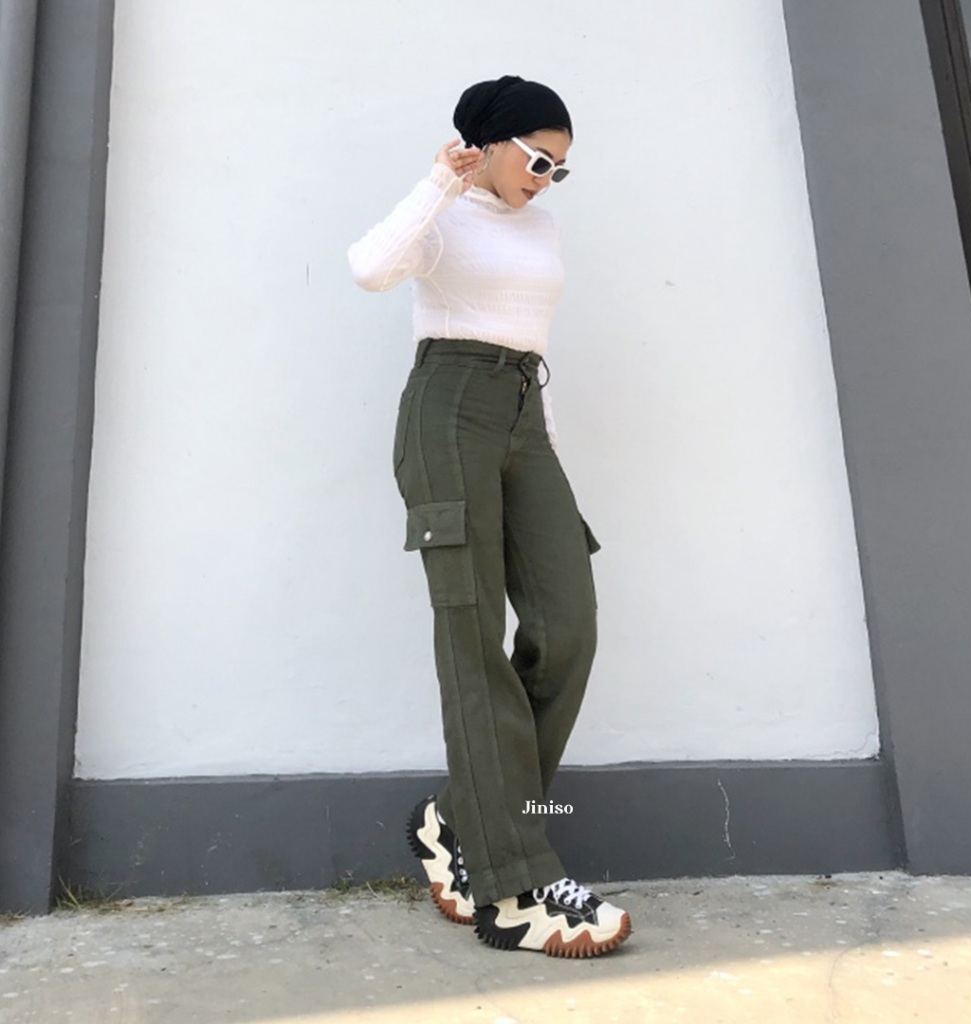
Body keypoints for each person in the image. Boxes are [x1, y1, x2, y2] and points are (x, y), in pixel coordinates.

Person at [348, 75, 631, 958]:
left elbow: (528, 338)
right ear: (491, 145)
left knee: (568, 627)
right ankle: (512, 891)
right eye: (538, 160)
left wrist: (543, 448)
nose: (547, 180)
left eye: (560, 169)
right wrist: (441, 181)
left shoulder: (541, 227)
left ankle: (460, 820)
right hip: (449, 413)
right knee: (472, 642)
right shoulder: (443, 214)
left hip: (522, 416)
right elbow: (369, 268)